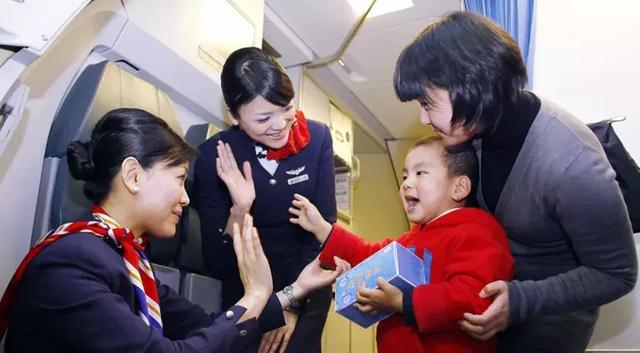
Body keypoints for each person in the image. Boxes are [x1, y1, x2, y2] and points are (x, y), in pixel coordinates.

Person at [0, 108, 348, 353]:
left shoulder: (127, 258)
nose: (185, 198)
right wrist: (254, 295)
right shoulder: (72, 261)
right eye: (180, 179)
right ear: (134, 176)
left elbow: (204, 326)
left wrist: (294, 290)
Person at [392, 11, 638, 353]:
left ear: (471, 86)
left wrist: (520, 300)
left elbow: (617, 274)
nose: (422, 118)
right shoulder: (470, 133)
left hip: (547, 328)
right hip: (486, 312)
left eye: (427, 103)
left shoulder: (572, 162)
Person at [289, 136, 515, 353]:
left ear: (459, 188)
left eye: (420, 173)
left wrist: (401, 302)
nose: (407, 183)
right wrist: (323, 229)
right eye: (405, 175)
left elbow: (474, 297)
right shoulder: (411, 238)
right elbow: (369, 256)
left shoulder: (477, 230)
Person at [193, 47, 336, 353]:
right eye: (263, 118)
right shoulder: (214, 155)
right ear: (234, 116)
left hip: (307, 290)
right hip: (246, 299)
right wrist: (240, 209)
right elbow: (216, 259)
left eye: (286, 108)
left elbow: (325, 229)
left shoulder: (318, 138)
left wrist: (292, 302)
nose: (282, 124)